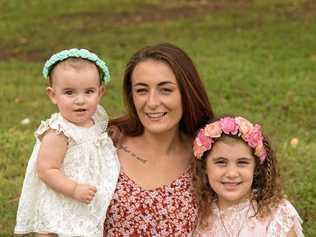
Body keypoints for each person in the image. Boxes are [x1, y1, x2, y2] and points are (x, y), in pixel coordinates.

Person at [103, 43, 214, 236]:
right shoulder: (106, 144)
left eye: (165, 90)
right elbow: (54, 209)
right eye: (142, 90)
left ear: (186, 93)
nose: (152, 102)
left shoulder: (207, 155)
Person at [14, 48, 120, 237]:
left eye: (89, 92)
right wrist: (74, 189)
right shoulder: (58, 132)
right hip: (61, 195)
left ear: (100, 92)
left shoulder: (98, 118)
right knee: (55, 229)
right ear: (53, 95)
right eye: (69, 93)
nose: (80, 100)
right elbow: (46, 170)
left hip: (86, 196)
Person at [193, 116, 304, 237]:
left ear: (255, 167)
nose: (232, 174)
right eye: (221, 162)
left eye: (242, 163)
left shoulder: (276, 213)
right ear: (204, 167)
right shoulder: (197, 217)